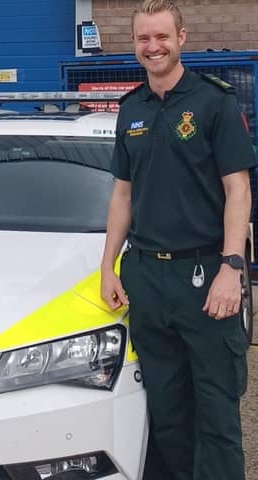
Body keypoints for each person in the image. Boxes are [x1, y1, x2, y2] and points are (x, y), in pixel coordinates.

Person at [100, 1, 255, 479]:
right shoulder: (131, 110)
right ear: (135, 45)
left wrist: (233, 267)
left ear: (181, 37)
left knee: (215, 410)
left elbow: (238, 189)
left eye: (162, 37)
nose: (153, 47)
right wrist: (109, 266)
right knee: (167, 412)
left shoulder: (215, 102)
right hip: (147, 276)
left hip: (206, 275)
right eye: (144, 39)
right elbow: (122, 196)